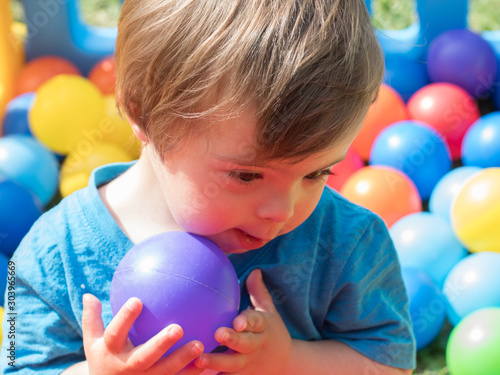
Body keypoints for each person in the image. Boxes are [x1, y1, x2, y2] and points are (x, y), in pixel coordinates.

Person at [1, 0, 416, 374]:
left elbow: (389, 362)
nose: (283, 210)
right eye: (246, 175)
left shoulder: (348, 242)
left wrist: (290, 361)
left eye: (317, 174)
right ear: (143, 111)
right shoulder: (51, 255)